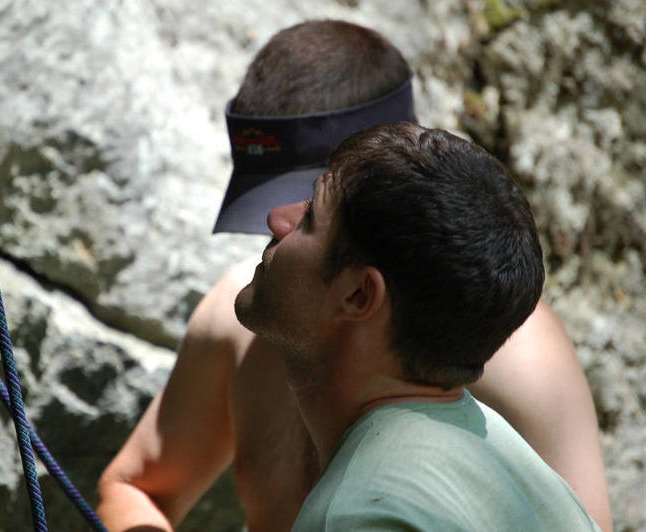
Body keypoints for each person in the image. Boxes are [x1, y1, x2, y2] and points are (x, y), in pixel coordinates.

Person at [97, 20, 612, 532]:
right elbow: (138, 489)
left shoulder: (522, 357)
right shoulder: (243, 319)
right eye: (265, 204)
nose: (277, 221)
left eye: (317, 205)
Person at [234, 121, 600, 530]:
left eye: (308, 219)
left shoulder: (366, 517)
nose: (276, 218)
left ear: (358, 296)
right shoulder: (522, 474)